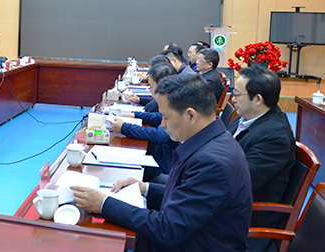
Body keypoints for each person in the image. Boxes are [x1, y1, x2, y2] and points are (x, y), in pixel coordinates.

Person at [73, 75, 252, 252]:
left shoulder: (212, 162)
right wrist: (145, 188)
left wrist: (104, 204)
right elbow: (188, 196)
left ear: (191, 115)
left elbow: (168, 229)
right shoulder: (212, 140)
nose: (163, 124)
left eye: (166, 117)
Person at [228, 64, 296, 252]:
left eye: (237, 94)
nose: (232, 99)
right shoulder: (245, 117)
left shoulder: (275, 137)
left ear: (258, 99)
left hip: (242, 216)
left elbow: (239, 183)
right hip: (224, 197)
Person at [110, 62, 178, 178]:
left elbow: (159, 135)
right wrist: (133, 115)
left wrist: (124, 127)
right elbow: (158, 117)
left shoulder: (176, 105)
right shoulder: (171, 100)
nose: (149, 90)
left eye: (151, 86)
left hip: (163, 170)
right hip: (160, 158)